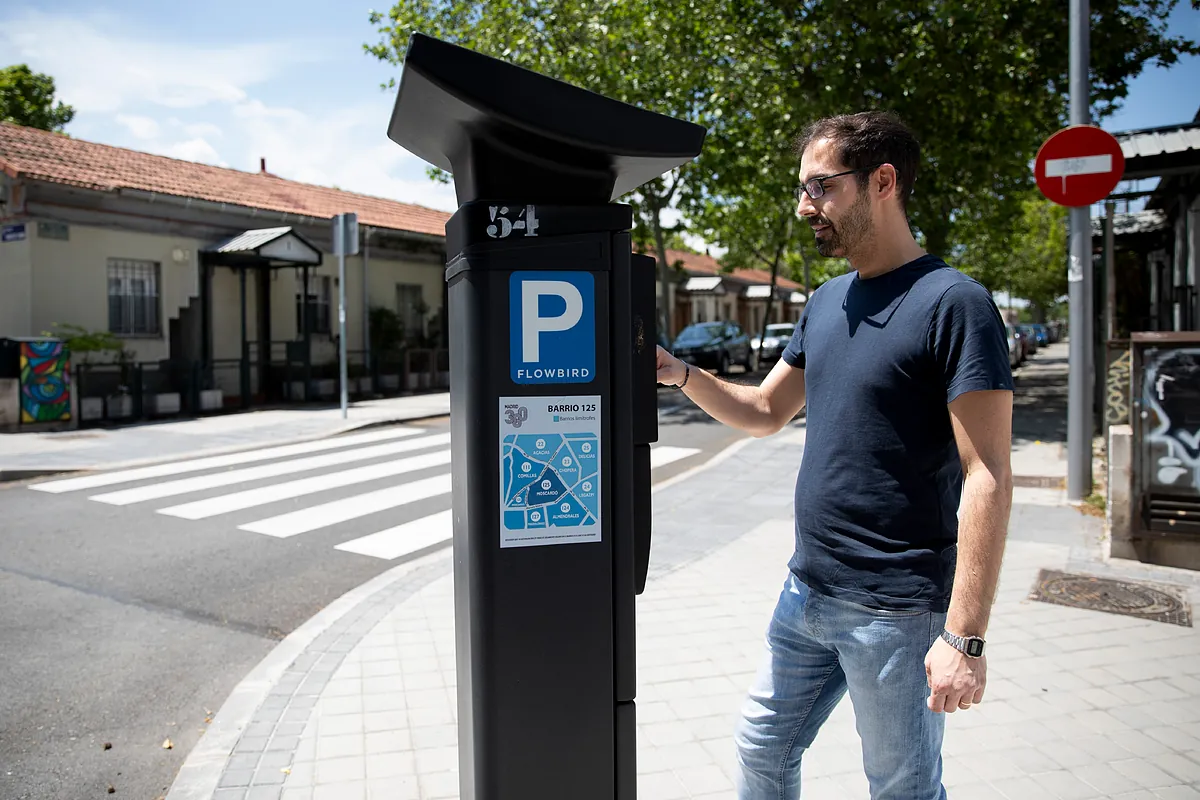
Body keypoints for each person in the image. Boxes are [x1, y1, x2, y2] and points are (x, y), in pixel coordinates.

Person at [655, 111, 1014, 800]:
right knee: (762, 748)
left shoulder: (954, 304)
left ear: (882, 181)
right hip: (806, 593)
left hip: (897, 612)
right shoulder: (824, 302)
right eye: (802, 188)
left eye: (820, 186)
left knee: (901, 786)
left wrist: (965, 639)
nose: (804, 205)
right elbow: (764, 412)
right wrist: (680, 374)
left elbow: (988, 476)